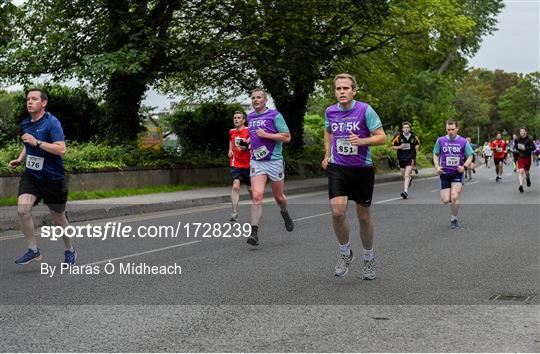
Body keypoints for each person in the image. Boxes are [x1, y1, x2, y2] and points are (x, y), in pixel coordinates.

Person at [322, 73, 386, 280]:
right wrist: (327, 155)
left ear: (353, 91)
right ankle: (345, 253)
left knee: (363, 217)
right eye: (338, 89)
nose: (342, 92)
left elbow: (382, 137)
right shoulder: (330, 111)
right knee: (338, 213)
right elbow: (328, 132)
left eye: (345, 88)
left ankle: (368, 258)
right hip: (338, 168)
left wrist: (362, 141)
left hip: (362, 169)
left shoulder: (365, 110)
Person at [8, 88, 77, 265]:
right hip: (32, 175)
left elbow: (61, 149)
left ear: (43, 103)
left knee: (58, 219)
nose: (29, 102)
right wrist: (20, 158)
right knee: (23, 210)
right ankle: (33, 250)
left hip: (52, 178)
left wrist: (37, 142)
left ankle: (70, 249)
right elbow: (28, 143)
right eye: (28, 99)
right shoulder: (25, 123)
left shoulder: (52, 123)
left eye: (34, 99)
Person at [245, 89, 294, 246]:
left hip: (274, 161)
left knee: (279, 197)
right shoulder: (250, 117)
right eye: (253, 98)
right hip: (257, 161)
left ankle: (285, 213)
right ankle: (254, 233)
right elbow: (254, 137)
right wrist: (248, 143)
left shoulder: (275, 116)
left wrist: (266, 135)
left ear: (265, 100)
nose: (256, 100)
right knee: (257, 195)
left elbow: (287, 137)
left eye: (259, 97)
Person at [433, 119, 474, 229]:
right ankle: (452, 199)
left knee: (454, 196)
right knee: (446, 200)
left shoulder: (463, 141)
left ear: (457, 129)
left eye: (452, 129)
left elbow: (470, 155)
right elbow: (435, 154)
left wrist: (464, 166)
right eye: (448, 129)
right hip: (444, 173)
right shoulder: (440, 140)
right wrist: (437, 167)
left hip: (457, 173)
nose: (450, 131)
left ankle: (453, 218)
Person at [228, 111, 251, 221]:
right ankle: (234, 212)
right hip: (235, 162)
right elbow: (231, 141)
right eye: (234, 118)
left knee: (251, 189)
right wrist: (230, 150)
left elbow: (253, 143)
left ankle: (256, 205)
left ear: (244, 120)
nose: (236, 119)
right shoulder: (231, 131)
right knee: (236, 185)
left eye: (238, 118)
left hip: (248, 163)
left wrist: (247, 146)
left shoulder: (249, 130)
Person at [391, 121, 420, 199]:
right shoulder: (398, 137)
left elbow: (417, 143)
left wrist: (416, 148)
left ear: (410, 129)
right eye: (404, 127)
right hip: (401, 158)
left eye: (407, 127)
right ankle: (410, 179)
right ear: (402, 129)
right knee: (404, 175)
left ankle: (405, 191)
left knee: (407, 175)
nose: (406, 129)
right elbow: (392, 147)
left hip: (410, 158)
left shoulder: (414, 137)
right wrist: (400, 147)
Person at [514, 127, 535, 193]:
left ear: (526, 132)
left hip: (527, 158)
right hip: (520, 157)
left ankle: (528, 178)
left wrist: (525, 148)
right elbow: (516, 147)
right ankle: (521, 186)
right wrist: (517, 152)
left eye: (523, 131)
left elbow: (533, 147)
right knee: (521, 171)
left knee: (526, 172)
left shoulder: (529, 139)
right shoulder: (517, 140)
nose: (521, 132)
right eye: (520, 131)